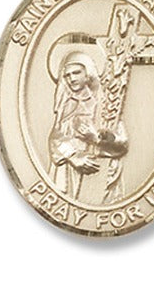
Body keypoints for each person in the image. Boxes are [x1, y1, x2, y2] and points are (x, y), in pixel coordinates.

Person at [48, 51, 128, 201]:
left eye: (76, 73)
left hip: (100, 174)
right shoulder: (67, 105)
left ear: (88, 74)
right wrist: (73, 156)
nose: (72, 79)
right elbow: (55, 139)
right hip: (69, 173)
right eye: (67, 75)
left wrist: (96, 139)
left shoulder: (105, 103)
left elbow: (122, 143)